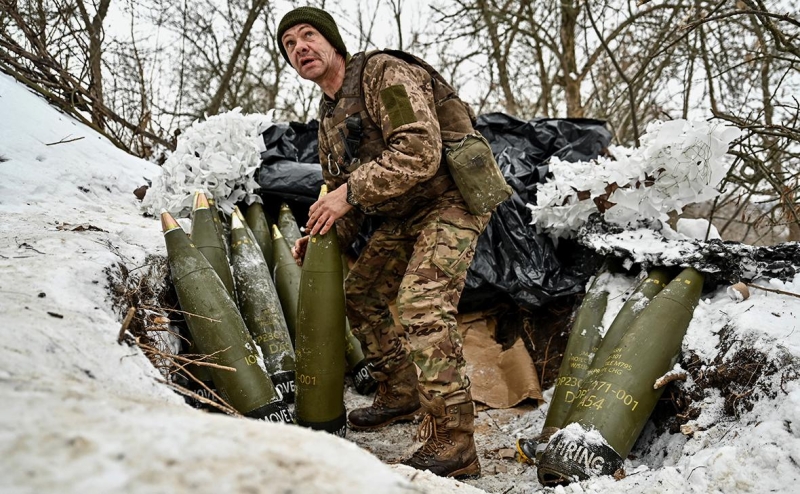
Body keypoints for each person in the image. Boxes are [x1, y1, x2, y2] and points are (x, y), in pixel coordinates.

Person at [278, 6, 490, 479]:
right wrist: (321, 238)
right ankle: (400, 391)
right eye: (290, 44)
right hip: (404, 210)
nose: (300, 48)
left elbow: (418, 147)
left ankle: (455, 445)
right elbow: (342, 197)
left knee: (421, 304)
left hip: (451, 196)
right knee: (362, 294)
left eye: (309, 35)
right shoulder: (329, 115)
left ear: (332, 42)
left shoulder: (382, 74)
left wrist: (347, 194)